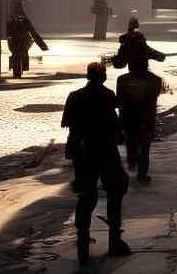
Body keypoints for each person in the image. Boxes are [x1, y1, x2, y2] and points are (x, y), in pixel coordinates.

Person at [62, 61, 131, 266]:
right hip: (107, 153)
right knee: (115, 193)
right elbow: (117, 127)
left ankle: (82, 242)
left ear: (87, 76)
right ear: (103, 78)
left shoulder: (75, 97)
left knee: (85, 196)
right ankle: (114, 240)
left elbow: (70, 127)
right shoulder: (109, 96)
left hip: (84, 155)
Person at [116, 55, 162, 184]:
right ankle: (142, 174)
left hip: (128, 116)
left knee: (131, 140)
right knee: (144, 146)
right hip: (146, 117)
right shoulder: (155, 80)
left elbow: (119, 100)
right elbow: (154, 97)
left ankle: (132, 162)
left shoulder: (122, 79)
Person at [6, 0, 48, 78]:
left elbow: (8, 30)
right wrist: (42, 46)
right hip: (20, 41)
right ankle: (20, 67)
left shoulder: (12, 18)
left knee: (16, 53)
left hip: (16, 41)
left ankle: (18, 68)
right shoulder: (22, 18)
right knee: (21, 53)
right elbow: (32, 32)